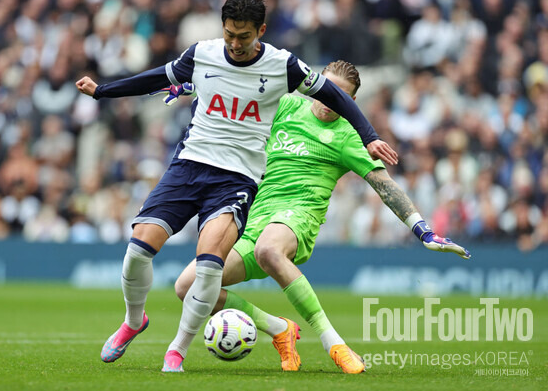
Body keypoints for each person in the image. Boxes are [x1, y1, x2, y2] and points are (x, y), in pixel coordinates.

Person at [75, 0, 398, 373]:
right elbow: (157, 79)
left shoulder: (283, 65)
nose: (234, 43)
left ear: (260, 31)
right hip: (189, 166)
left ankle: (176, 352)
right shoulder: (202, 54)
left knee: (208, 267)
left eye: (243, 36)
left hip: (235, 179)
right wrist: (103, 91)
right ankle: (133, 321)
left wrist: (368, 135)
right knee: (138, 252)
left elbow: (336, 97)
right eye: (229, 34)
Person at [171, 61, 470, 374]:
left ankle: (334, 343)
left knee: (269, 250)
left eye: (340, 95)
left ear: (350, 103)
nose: (329, 98)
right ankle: (278, 329)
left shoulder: (347, 137)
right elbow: (242, 99)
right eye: (325, 88)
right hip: (255, 221)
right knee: (188, 287)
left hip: (298, 217)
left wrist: (423, 231)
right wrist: (192, 87)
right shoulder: (286, 106)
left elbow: (385, 186)